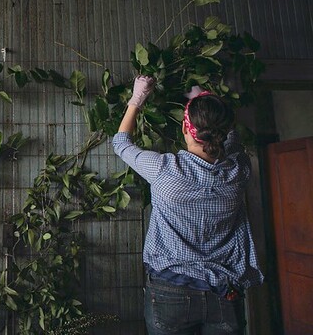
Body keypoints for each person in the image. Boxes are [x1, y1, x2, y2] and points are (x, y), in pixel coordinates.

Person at [112, 76, 264, 334]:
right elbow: (232, 139)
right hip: (224, 292)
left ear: (185, 127)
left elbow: (121, 143)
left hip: (169, 290)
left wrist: (137, 99)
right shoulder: (239, 170)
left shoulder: (163, 170)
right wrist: (208, 101)